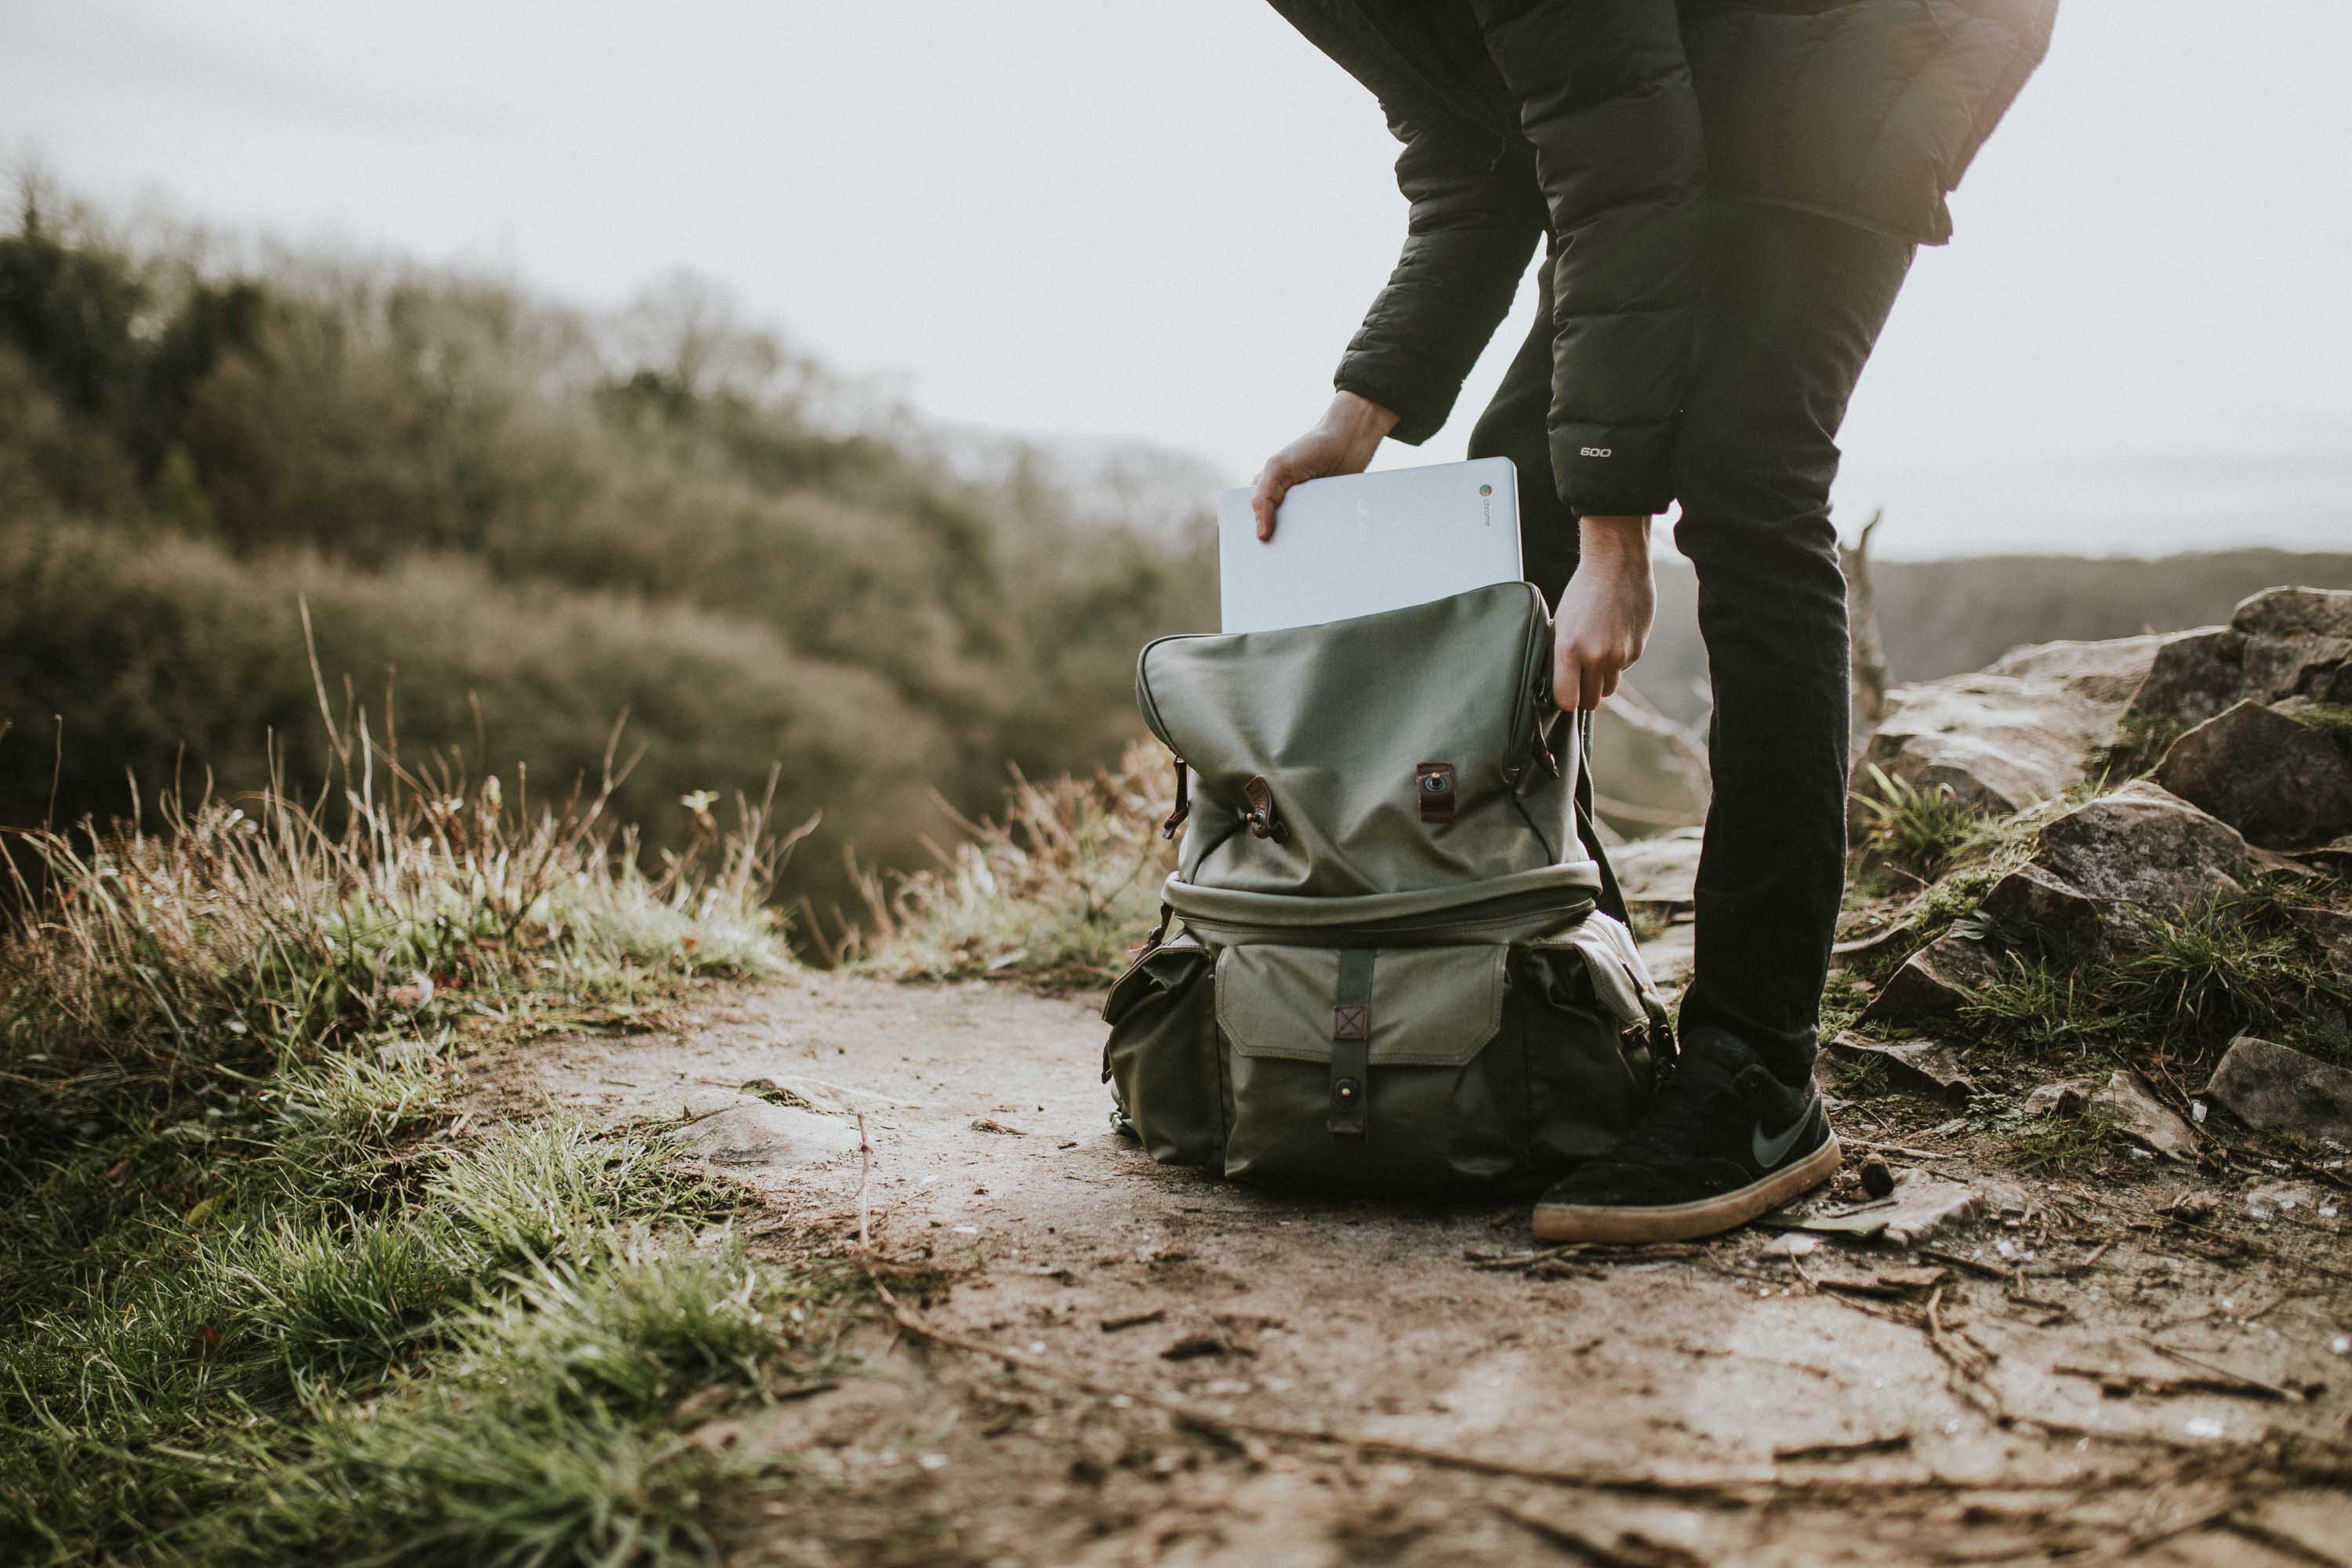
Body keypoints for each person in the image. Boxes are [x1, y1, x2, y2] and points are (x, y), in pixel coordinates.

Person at [1250, 0, 2056, 1243]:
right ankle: (1571, 987)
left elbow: (1616, 148)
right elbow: (1483, 157)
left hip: (1859, 49)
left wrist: (1617, 537)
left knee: (1750, 492)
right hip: (1679, 93)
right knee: (1512, 484)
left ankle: (1757, 1079)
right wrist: (1362, 411)